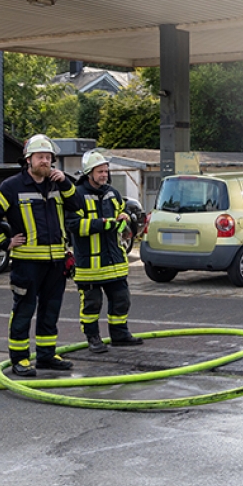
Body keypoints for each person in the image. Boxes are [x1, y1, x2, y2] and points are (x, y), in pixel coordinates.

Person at [0, 134, 79, 377]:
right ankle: (19, 359)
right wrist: (4, 243)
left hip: (56, 262)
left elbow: (78, 205)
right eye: (40, 157)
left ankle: (47, 356)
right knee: (24, 310)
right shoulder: (12, 186)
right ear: (28, 160)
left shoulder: (59, 183)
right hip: (27, 263)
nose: (45, 162)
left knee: (51, 310)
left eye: (48, 158)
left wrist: (67, 184)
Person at [66, 150, 143, 353]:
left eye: (106, 171)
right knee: (92, 305)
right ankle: (93, 338)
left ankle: (120, 334)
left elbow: (120, 210)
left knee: (121, 300)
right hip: (89, 264)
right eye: (100, 171)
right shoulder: (77, 195)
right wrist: (103, 224)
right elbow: (73, 225)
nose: (104, 175)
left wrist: (125, 217)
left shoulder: (112, 192)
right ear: (89, 173)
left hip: (114, 262)